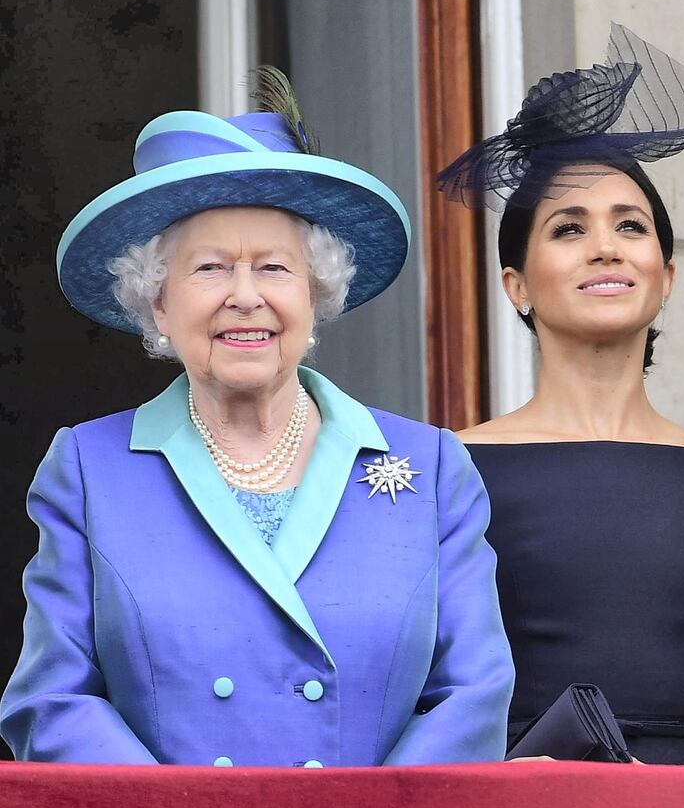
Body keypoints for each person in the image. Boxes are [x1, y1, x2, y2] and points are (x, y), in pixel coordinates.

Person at [1, 69, 514, 767]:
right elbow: (51, 701)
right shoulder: (90, 469)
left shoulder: (431, 466)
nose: (245, 297)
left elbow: (474, 694)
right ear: (158, 304)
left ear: (316, 294)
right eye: (209, 269)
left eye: (274, 268)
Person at [438, 24, 684, 766]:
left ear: (666, 276)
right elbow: (416, 703)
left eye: (629, 226)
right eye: (569, 228)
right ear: (518, 286)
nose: (606, 246)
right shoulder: (446, 470)